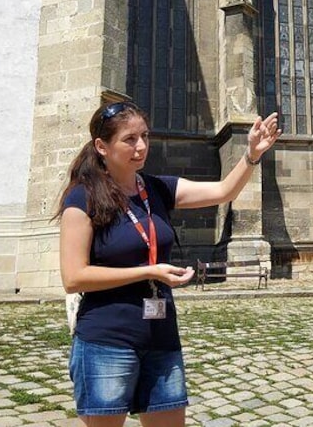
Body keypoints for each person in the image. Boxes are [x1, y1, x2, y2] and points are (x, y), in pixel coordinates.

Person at [55, 100, 280, 426]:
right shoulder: (83, 197)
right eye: (129, 139)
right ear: (102, 147)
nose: (141, 146)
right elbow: (74, 277)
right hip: (107, 340)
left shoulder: (157, 188)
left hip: (161, 337)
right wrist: (149, 271)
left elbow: (223, 191)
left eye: (145, 136)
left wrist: (252, 155)